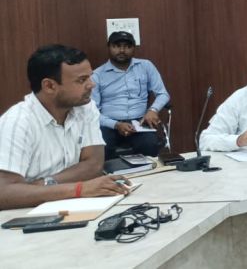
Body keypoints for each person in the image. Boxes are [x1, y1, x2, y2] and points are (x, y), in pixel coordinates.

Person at [0, 45, 133, 210]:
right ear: (49, 86)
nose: (91, 85)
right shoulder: (17, 122)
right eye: (81, 80)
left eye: (90, 77)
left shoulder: (85, 107)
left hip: (70, 204)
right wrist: (79, 189)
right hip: (25, 213)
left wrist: (44, 184)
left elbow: (93, 165)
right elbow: (4, 193)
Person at [92, 31, 171, 160]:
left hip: (139, 122)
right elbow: (92, 112)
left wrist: (153, 110)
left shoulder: (146, 66)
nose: (122, 50)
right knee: (101, 148)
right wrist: (116, 124)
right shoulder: (97, 75)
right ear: (109, 47)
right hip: (109, 123)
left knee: (150, 145)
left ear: (134, 48)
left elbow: (163, 94)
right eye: (116, 46)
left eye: (127, 46)